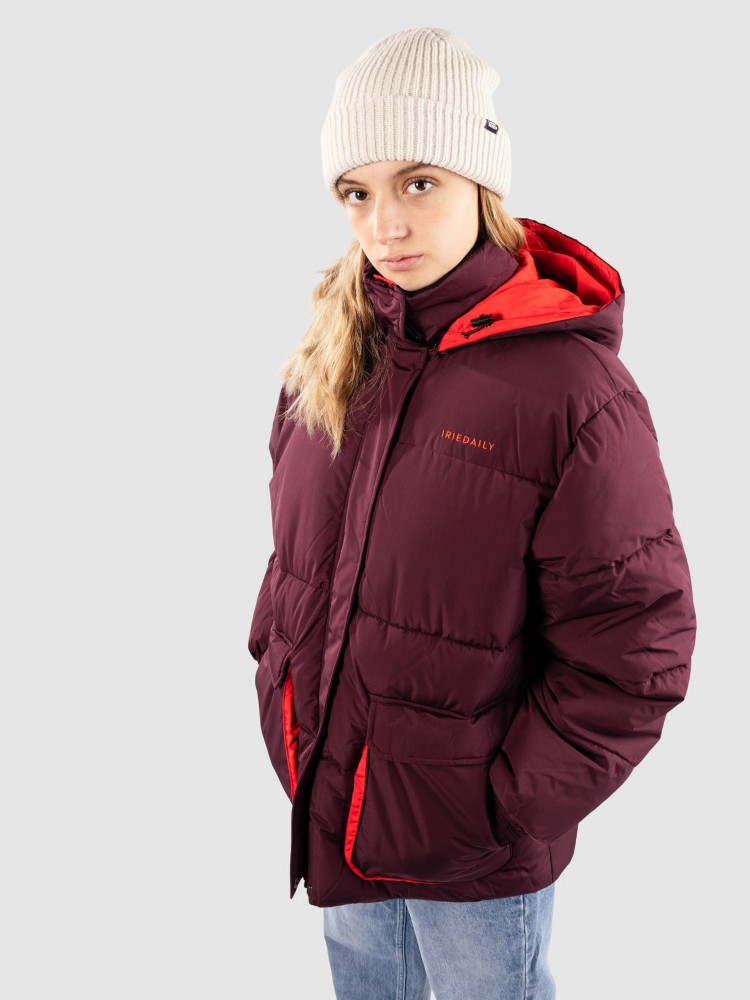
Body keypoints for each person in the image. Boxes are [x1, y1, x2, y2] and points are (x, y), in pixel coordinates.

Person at [247, 26, 697, 1000]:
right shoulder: (328, 357)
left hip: (473, 859)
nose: (385, 225)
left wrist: (503, 806)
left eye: (419, 183)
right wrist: (282, 697)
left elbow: (639, 642)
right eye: (356, 192)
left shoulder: (571, 390)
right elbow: (292, 569)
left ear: (481, 180)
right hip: (338, 808)